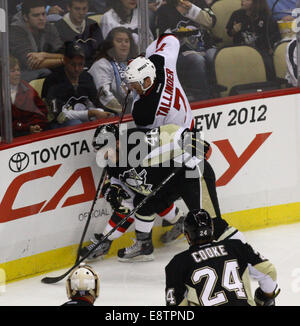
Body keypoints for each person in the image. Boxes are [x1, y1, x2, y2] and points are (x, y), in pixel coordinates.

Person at [80, 122, 232, 263]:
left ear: (118, 143)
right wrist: (112, 190)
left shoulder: (138, 140)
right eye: (99, 151)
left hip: (189, 176)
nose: (103, 156)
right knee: (142, 203)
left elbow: (174, 131)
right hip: (167, 185)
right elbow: (122, 195)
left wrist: (195, 144)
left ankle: (243, 256)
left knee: (211, 224)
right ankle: (144, 245)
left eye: (104, 151)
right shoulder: (111, 162)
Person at [165, 209, 280, 306]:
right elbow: (269, 271)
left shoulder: (177, 263)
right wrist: (266, 297)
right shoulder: (237, 246)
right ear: (212, 229)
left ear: (187, 236)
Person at [155, 0, 217, 101]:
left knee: (214, 56)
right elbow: (163, 38)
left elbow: (211, 22)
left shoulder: (200, 3)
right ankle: (203, 98)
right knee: (197, 60)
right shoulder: (164, 10)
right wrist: (176, 36)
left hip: (206, 47)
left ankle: (219, 92)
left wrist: (192, 9)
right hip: (180, 53)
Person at [42, 41, 111, 129]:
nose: (77, 69)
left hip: (82, 121)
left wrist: (101, 112)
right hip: (58, 125)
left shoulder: (86, 77)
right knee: (75, 123)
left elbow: (96, 102)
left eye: (80, 64)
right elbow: (59, 116)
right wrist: (91, 113)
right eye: (73, 64)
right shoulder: (53, 80)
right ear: (65, 61)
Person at [9, 0, 65, 82]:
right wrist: (64, 60)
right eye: (36, 15)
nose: (41, 18)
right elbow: (30, 64)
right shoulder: (16, 30)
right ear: (25, 17)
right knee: (46, 73)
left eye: (43, 14)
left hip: (41, 69)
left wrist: (44, 55)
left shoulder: (48, 26)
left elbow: (62, 52)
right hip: (18, 73)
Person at [226, 0, 281, 80]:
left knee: (268, 62)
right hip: (240, 49)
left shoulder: (266, 17)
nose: (242, 1)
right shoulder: (237, 14)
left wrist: (270, 48)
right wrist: (234, 30)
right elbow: (229, 33)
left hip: (261, 50)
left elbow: (274, 36)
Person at [88, 27, 138, 115]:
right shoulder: (101, 65)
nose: (124, 44)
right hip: (105, 115)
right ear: (110, 45)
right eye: (119, 41)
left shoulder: (131, 64)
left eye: (127, 41)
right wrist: (124, 113)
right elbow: (105, 96)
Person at [54, 0, 104, 68]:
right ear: (68, 7)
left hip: (94, 68)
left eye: (84, 9)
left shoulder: (93, 25)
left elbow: (101, 51)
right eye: (77, 9)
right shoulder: (58, 28)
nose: (81, 12)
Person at [10, 56, 50, 137]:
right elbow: (5, 124)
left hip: (31, 133)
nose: (17, 73)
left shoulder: (26, 88)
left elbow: (41, 112)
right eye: (12, 71)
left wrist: (35, 126)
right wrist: (27, 128)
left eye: (18, 70)